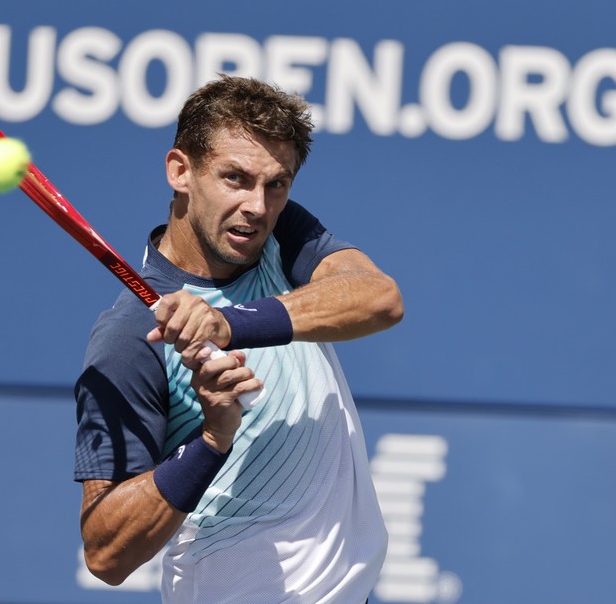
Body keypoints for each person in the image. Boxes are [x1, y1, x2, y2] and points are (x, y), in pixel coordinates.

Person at [73, 75, 404, 603]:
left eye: (278, 183)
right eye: (235, 178)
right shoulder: (130, 334)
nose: (257, 204)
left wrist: (230, 323)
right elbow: (106, 553)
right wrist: (211, 440)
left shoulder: (280, 234)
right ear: (180, 171)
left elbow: (378, 297)